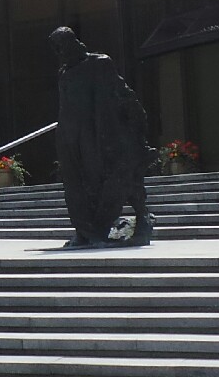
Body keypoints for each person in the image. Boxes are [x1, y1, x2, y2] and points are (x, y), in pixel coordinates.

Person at [50, 26, 154, 248]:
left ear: (74, 43)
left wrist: (137, 129)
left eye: (62, 48)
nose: (60, 54)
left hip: (102, 136)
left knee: (114, 181)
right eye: (56, 50)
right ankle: (85, 230)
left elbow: (124, 94)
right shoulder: (64, 73)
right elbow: (65, 108)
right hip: (72, 138)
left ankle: (140, 219)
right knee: (77, 186)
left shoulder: (99, 63)